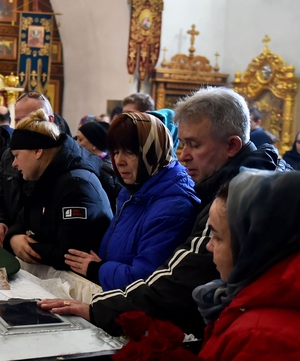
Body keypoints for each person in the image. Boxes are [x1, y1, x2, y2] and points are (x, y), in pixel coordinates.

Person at [38, 87, 291, 338]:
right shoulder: (241, 184)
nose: (184, 155)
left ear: (232, 145)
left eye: (194, 145)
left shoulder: (235, 197)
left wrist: (97, 309)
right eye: (183, 144)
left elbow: (179, 281)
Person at [65, 112, 199, 291]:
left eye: (130, 152)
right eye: (116, 151)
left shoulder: (173, 205)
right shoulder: (135, 188)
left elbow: (147, 280)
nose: (119, 161)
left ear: (153, 152)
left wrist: (97, 269)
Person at [193, 170, 300, 360]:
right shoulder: (255, 299)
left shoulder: (261, 338)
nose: (209, 246)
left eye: (218, 237)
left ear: (253, 244)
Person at [3, 109, 112, 270]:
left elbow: (70, 254)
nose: (14, 163)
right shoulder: (44, 177)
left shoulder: (77, 185)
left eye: (17, 155)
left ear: (38, 151)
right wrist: (14, 238)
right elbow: (22, 220)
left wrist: (26, 246)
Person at [0, 91, 86, 246]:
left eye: (31, 118)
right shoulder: (8, 156)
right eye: (18, 120)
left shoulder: (65, 162)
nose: (22, 126)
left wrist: (15, 236)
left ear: (50, 120)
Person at [75, 121, 121, 213]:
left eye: (80, 140)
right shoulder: (104, 163)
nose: (76, 143)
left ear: (94, 145)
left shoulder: (102, 170)